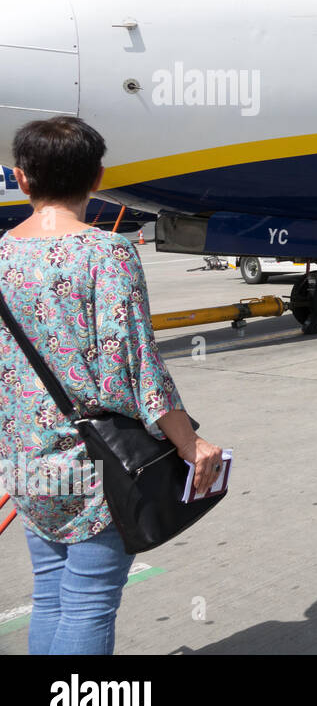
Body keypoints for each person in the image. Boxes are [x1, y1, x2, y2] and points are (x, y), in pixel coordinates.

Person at [0, 117, 223, 655]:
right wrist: (190, 444)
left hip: (27, 461)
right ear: (98, 177)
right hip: (92, 463)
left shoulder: (2, 254)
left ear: (22, 179)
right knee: (90, 600)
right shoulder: (107, 254)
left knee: (51, 594)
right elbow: (137, 366)